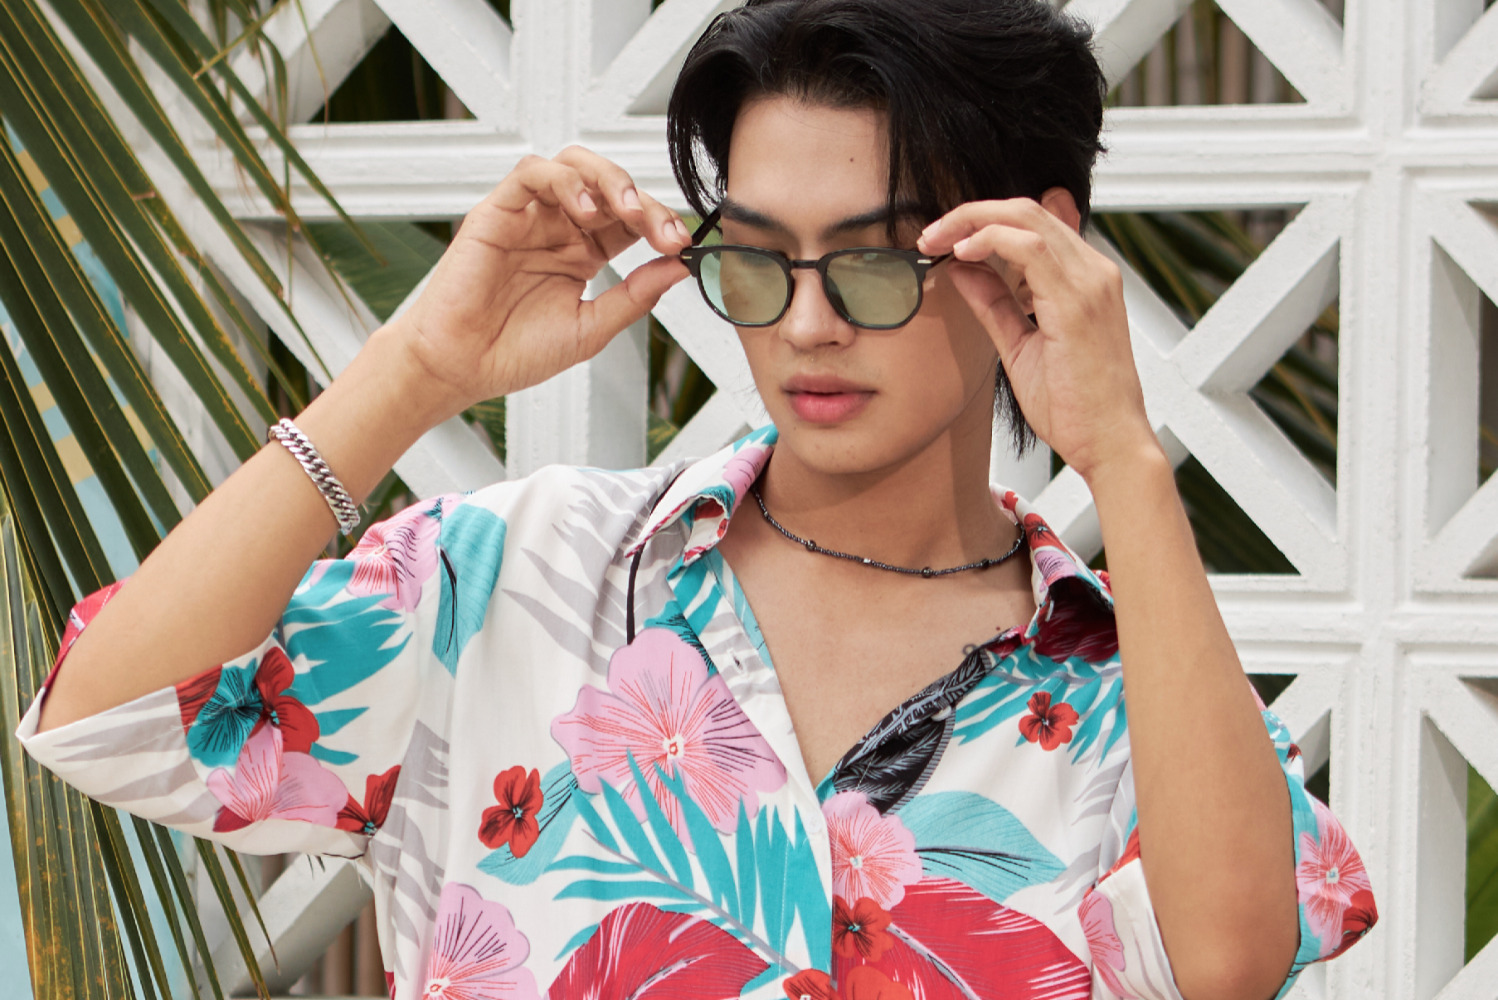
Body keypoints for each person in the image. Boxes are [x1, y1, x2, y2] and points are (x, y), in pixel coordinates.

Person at [17, 1, 1376, 998]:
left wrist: (1124, 457)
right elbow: (109, 722)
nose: (806, 325)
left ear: (1028, 252)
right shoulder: (515, 575)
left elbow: (1225, 961)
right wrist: (416, 369)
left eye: (874, 262)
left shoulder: (1133, 693)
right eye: (758, 258)